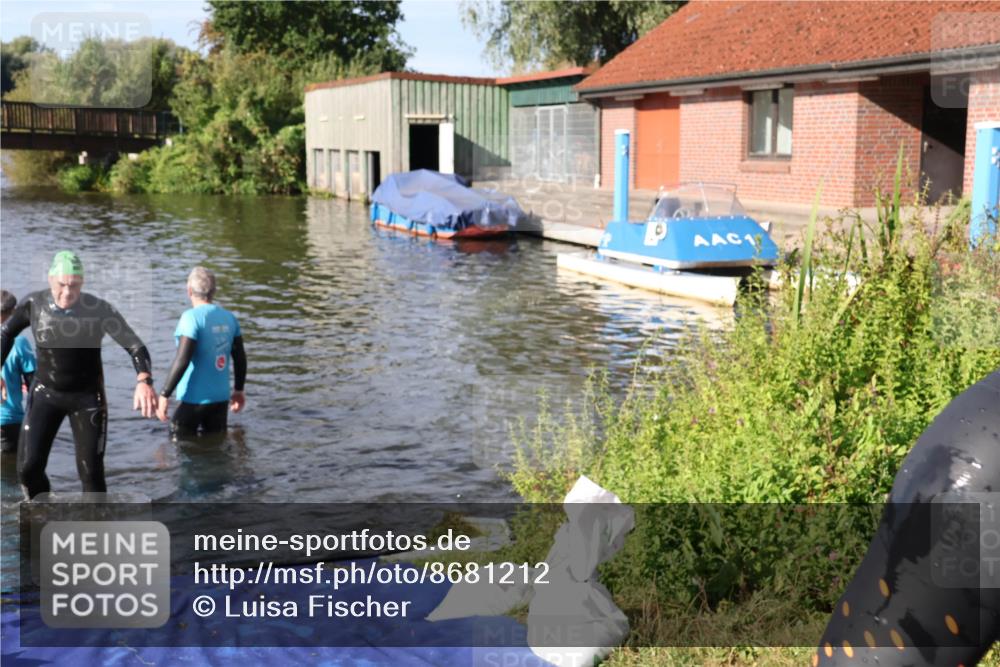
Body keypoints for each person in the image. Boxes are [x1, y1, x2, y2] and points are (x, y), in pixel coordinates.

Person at [0, 251, 158, 498]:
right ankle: (41, 512)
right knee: (28, 470)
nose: (67, 292)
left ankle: (95, 529)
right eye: (61, 284)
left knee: (91, 473)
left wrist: (144, 380)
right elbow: (5, 334)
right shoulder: (34, 304)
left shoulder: (98, 309)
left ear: (82, 283)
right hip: (45, 394)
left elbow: (135, 345)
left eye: (74, 285)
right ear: (51, 279)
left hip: (87, 399)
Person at [156, 267, 246, 438]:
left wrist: (164, 394)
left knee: (178, 443)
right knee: (215, 448)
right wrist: (239, 390)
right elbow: (240, 358)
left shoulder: (191, 318)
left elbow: (182, 360)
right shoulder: (229, 317)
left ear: (189, 290)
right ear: (214, 291)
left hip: (193, 398)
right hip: (220, 399)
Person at [1, 290, 36, 453]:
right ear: (14, 313)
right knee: (9, 475)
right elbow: (33, 385)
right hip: (8, 422)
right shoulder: (20, 342)